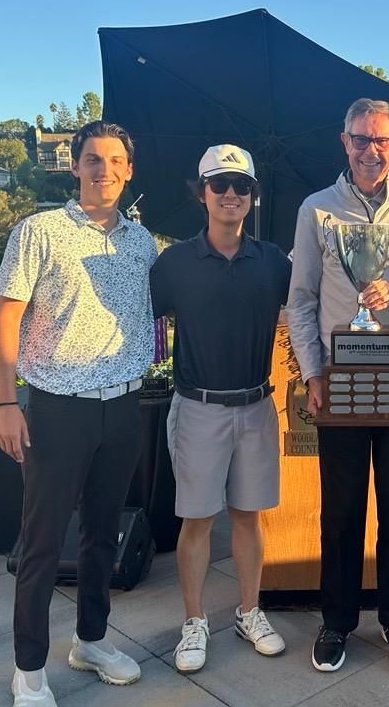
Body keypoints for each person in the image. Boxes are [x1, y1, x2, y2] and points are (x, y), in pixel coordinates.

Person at [0, 121, 157, 707]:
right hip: (58, 410)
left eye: (114, 160)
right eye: (92, 159)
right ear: (75, 165)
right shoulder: (38, 231)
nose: (103, 169)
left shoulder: (142, 242)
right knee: (41, 543)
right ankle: (29, 669)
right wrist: (5, 402)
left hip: (123, 406)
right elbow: (6, 318)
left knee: (102, 535)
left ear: (128, 170)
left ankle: (91, 640)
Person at [287, 98, 389, 674]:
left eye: (381, 140)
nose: (370, 150)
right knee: (342, 505)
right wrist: (312, 373)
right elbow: (301, 300)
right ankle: (337, 621)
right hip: (342, 376)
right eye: (360, 139)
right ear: (344, 141)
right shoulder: (316, 210)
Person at [150, 144, 291, 672]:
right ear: (202, 193)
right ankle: (194, 621)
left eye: (242, 186)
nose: (231, 194)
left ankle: (249, 612)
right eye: (220, 185)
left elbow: (298, 314)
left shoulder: (274, 261)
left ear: (253, 196)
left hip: (256, 405)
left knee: (249, 518)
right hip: (198, 407)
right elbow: (141, 321)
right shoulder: (174, 263)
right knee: (198, 520)